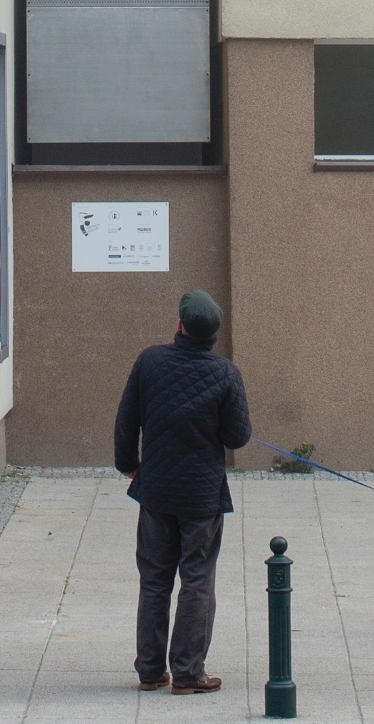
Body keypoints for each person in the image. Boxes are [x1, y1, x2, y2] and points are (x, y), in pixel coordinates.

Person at [113, 288, 251, 695]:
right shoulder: (226, 374)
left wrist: (128, 464)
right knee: (197, 580)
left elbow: (127, 420)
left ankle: (151, 670)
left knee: (154, 580)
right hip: (201, 496)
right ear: (213, 335)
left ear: (180, 325)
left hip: (156, 490)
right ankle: (189, 672)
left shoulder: (150, 361)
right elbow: (237, 436)